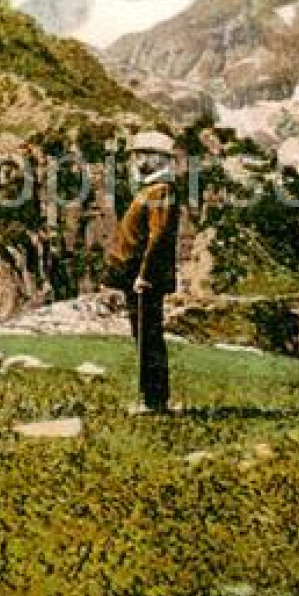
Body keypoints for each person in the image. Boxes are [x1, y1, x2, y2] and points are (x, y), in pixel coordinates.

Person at [103, 131, 181, 414]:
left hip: (143, 278)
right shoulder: (154, 189)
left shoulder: (160, 190)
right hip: (139, 276)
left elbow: (158, 238)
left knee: (148, 339)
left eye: (139, 154)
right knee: (146, 337)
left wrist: (145, 275)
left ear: (155, 158)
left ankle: (154, 402)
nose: (135, 159)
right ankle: (152, 399)